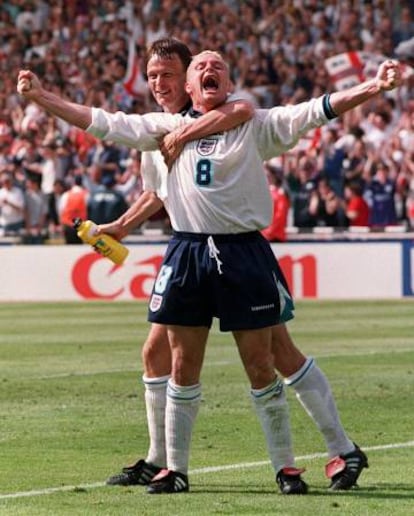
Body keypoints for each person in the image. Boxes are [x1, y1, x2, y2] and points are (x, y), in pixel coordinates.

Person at [17, 52, 400, 495]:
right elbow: (105, 126)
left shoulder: (247, 121)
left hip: (242, 252)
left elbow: (314, 110)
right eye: (154, 76)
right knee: (167, 355)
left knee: (270, 356)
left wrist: (373, 88)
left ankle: (312, 456)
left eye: (174, 74)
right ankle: (168, 464)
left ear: (200, 82)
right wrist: (43, 97)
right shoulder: (160, 128)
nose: (162, 83)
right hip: (188, 249)